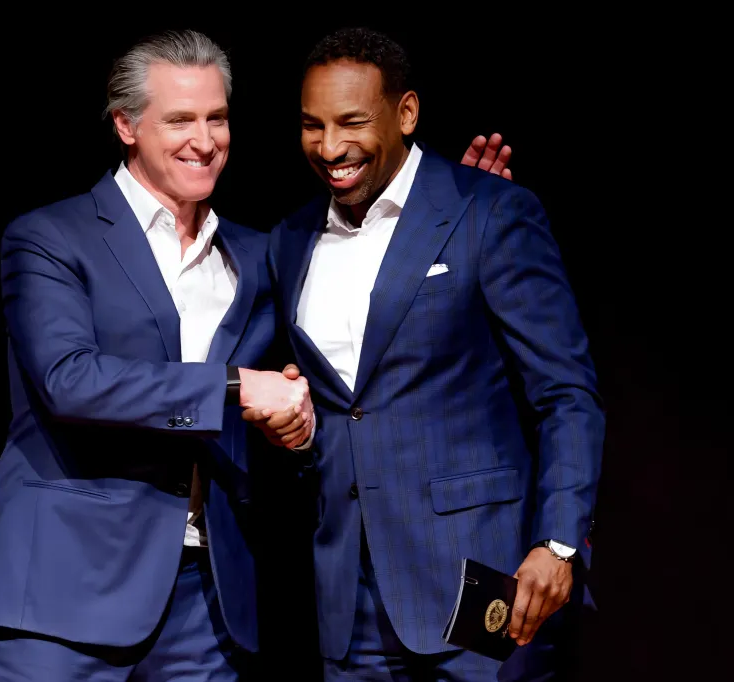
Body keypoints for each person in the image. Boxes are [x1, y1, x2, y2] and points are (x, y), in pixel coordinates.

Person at [0, 29, 514, 682]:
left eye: (217, 118)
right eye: (180, 120)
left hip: (207, 606)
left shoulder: (260, 255)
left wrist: (446, 219)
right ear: (125, 125)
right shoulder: (50, 237)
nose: (205, 139)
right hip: (62, 598)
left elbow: (334, 366)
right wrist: (235, 388)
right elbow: (70, 382)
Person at [253, 27, 604, 681]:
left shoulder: (489, 212)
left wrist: (558, 542)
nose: (330, 147)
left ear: (406, 112)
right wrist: (298, 439)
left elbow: (566, 395)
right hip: (347, 606)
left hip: (482, 590)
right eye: (312, 126)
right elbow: (338, 413)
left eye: (352, 122)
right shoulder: (290, 240)